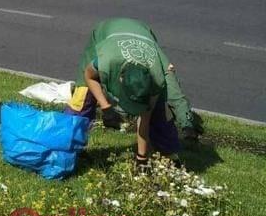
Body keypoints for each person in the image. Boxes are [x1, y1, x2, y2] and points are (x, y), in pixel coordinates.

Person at [66, 18, 200, 169]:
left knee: (160, 110)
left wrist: (141, 159)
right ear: (120, 78)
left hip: (143, 33)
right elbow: (89, 76)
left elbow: (146, 117)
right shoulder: (107, 60)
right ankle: (67, 146)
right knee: (83, 97)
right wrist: (105, 107)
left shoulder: (156, 77)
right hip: (107, 32)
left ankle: (168, 154)